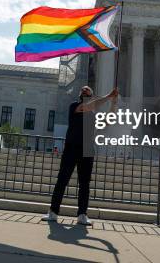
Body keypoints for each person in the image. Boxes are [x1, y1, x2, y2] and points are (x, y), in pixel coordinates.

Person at [42, 85, 118, 225]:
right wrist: (109, 95)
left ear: (91, 93)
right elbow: (89, 106)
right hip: (71, 147)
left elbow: (109, 120)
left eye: (87, 88)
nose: (84, 89)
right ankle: (53, 212)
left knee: (84, 184)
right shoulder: (75, 106)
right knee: (62, 180)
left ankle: (82, 214)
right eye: (82, 89)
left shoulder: (94, 115)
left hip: (87, 149)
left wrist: (113, 102)